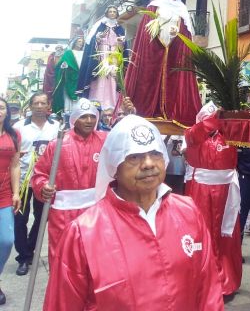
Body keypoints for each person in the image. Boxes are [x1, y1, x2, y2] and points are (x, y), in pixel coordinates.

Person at [44, 114, 224, 310]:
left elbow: (209, 290)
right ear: (115, 165)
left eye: (155, 153)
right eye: (134, 157)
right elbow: (62, 304)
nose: (148, 163)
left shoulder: (188, 212)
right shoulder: (83, 233)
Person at [31, 98, 106, 269]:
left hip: (96, 210)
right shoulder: (58, 144)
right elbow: (39, 174)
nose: (89, 121)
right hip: (64, 213)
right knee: (63, 257)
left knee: (94, 258)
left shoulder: (105, 140)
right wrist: (44, 186)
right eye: (83, 116)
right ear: (74, 119)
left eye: (92, 116)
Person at [124, 0, 202, 126]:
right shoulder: (154, 6)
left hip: (174, 47)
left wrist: (177, 34)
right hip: (155, 47)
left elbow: (186, 33)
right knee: (150, 78)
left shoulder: (182, 10)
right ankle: (150, 110)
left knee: (174, 78)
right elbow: (145, 31)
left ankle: (171, 111)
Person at [184, 102, 242, 297]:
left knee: (226, 234)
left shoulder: (228, 135)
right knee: (202, 234)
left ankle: (226, 280)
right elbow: (198, 132)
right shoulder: (193, 134)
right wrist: (218, 117)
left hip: (226, 191)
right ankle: (203, 282)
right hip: (200, 190)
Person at [13, 92, 59, 276]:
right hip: (23, 179)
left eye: (43, 103)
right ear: (30, 106)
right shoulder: (18, 127)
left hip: (45, 181)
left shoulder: (57, 127)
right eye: (36, 103)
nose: (39, 106)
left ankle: (29, 249)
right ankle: (23, 258)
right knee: (20, 220)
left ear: (49, 106)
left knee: (42, 218)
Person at [77, 5, 128, 110]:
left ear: (117, 14)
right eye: (110, 11)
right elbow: (92, 42)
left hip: (114, 56)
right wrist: (98, 38)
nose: (112, 13)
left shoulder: (120, 28)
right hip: (102, 55)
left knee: (113, 78)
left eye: (114, 11)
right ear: (107, 13)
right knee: (101, 78)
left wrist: (120, 43)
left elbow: (123, 48)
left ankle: (113, 102)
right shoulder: (100, 26)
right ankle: (97, 100)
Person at [0, 98, 22, 304]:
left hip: (4, 195)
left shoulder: (13, 135)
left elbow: (15, 165)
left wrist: (16, 193)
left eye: (1, 107)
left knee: (6, 241)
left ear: (7, 111)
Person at [52, 36, 85, 115]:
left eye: (82, 42)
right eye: (79, 41)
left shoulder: (84, 53)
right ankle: (67, 115)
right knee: (68, 99)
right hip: (70, 78)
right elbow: (59, 65)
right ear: (75, 42)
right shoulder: (68, 53)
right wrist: (64, 66)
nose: (81, 43)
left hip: (81, 79)